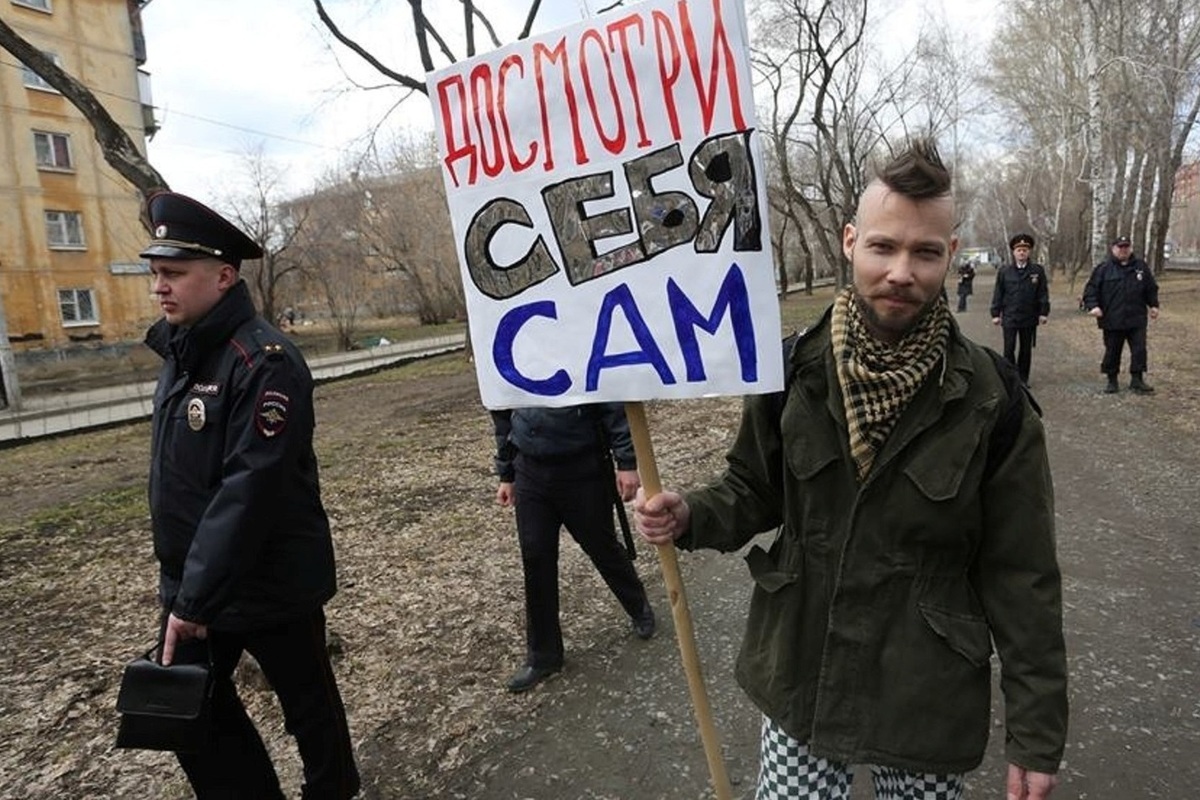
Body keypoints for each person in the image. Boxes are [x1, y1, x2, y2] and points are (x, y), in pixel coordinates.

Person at [634, 139, 1067, 800]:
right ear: (849, 241)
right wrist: (690, 513)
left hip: (925, 688)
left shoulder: (992, 399)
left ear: (950, 256)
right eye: (883, 247)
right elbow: (752, 489)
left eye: (925, 252)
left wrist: (1036, 732)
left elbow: (1022, 571)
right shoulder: (792, 371)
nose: (901, 271)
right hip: (804, 670)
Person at [139, 191, 360, 799]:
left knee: (309, 707)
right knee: (190, 716)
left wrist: (193, 600)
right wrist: (182, 588)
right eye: (156, 272)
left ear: (224, 276)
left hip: (270, 583)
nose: (160, 287)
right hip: (196, 583)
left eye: (175, 273)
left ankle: (335, 791)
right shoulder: (180, 350)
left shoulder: (265, 362)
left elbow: (249, 490)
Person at [492, 403, 656, 693]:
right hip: (529, 468)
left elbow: (612, 405)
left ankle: (638, 607)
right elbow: (501, 411)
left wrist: (626, 461)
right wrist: (506, 473)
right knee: (536, 557)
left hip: (581, 467)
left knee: (601, 546)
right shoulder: (510, 358)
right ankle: (544, 656)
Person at [1081, 234, 1160, 394]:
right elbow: (1091, 290)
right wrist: (1093, 306)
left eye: (1126, 247)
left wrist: (1153, 305)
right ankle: (1112, 380)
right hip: (1112, 319)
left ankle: (1137, 380)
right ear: (1113, 249)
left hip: (1136, 318)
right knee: (1112, 350)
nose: (1123, 250)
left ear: (1130, 248)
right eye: (1120, 247)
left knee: (1139, 350)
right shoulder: (1103, 269)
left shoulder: (1140, 267)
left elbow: (1150, 288)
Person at [990, 233, 1050, 385]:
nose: (1022, 253)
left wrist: (1043, 312)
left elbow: (1042, 293)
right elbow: (998, 293)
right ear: (1014, 252)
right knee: (1008, 349)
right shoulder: (1004, 271)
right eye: (1019, 250)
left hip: (1029, 316)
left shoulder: (1037, 271)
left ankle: (1023, 379)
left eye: (1025, 250)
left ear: (1029, 252)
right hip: (1010, 315)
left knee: (1025, 350)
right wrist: (995, 314)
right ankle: (1010, 379)